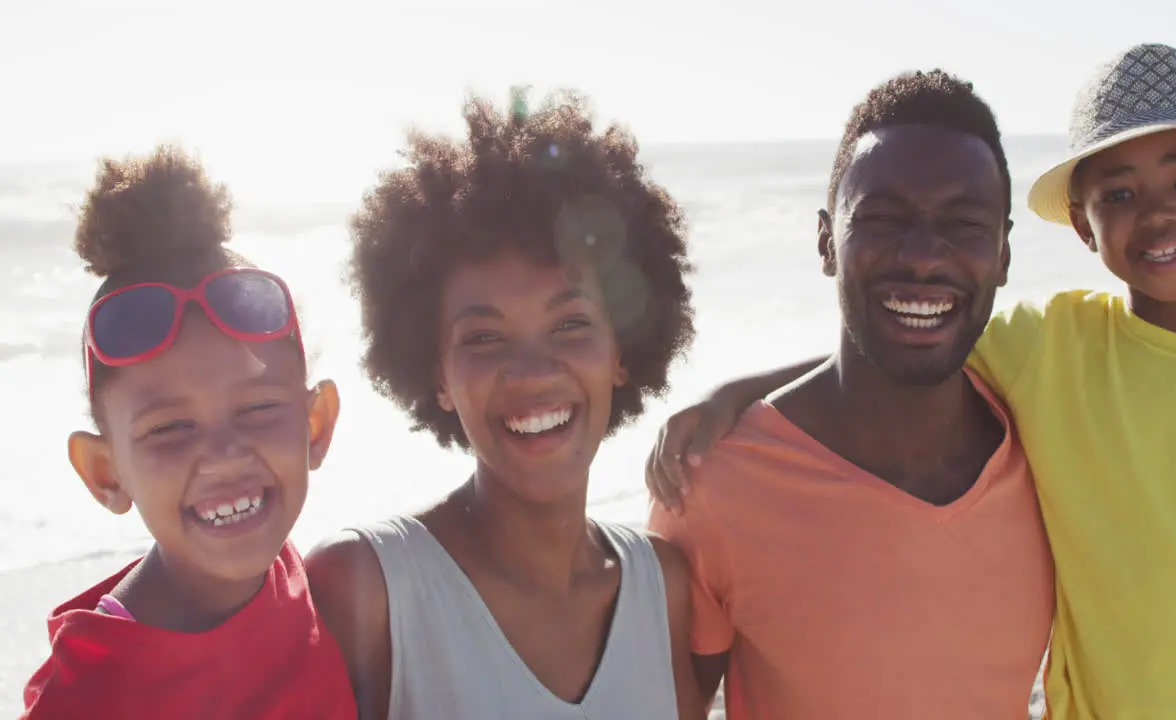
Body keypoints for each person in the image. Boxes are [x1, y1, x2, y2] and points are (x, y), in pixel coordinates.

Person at [649, 43, 1176, 719]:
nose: (1158, 213)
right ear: (1082, 225)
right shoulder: (1052, 348)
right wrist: (733, 395)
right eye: (1120, 193)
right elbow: (896, 351)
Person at [645, 70, 1055, 719]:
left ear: (1004, 252)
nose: (922, 256)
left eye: (964, 223)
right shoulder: (714, 485)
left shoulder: (1048, 446)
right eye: (884, 219)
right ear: (825, 241)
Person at [304, 90, 705, 720]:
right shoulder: (367, 587)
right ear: (435, 373)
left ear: (622, 350)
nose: (533, 373)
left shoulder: (665, 586)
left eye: (570, 324)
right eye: (485, 338)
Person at [21, 146, 352, 719]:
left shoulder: (333, 595)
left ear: (315, 424)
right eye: (171, 427)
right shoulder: (84, 700)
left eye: (256, 410)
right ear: (105, 472)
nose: (223, 456)